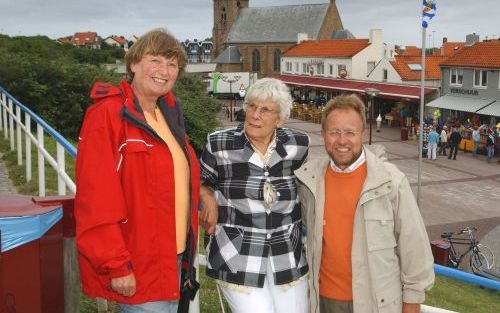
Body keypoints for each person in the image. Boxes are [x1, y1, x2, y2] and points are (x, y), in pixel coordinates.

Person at [74, 28, 200, 313]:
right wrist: (115, 265)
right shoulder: (108, 115)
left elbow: (176, 175)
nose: (164, 71)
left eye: (172, 64)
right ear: (133, 63)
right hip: (138, 267)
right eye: (155, 60)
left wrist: (203, 193)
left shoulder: (167, 113)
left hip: (174, 261)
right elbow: (96, 199)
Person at [295, 94, 434, 313]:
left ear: (363, 134)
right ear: (323, 135)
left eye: (350, 133)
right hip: (322, 302)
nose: (342, 141)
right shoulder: (309, 180)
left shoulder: (391, 182)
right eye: (334, 132)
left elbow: (414, 248)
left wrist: (412, 302)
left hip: (375, 303)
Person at [199, 78, 310, 313]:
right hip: (237, 252)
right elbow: (200, 180)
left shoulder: (298, 145)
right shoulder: (219, 144)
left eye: (265, 110)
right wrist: (206, 195)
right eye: (251, 106)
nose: (255, 115)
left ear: (280, 119)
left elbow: (308, 182)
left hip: (286, 253)